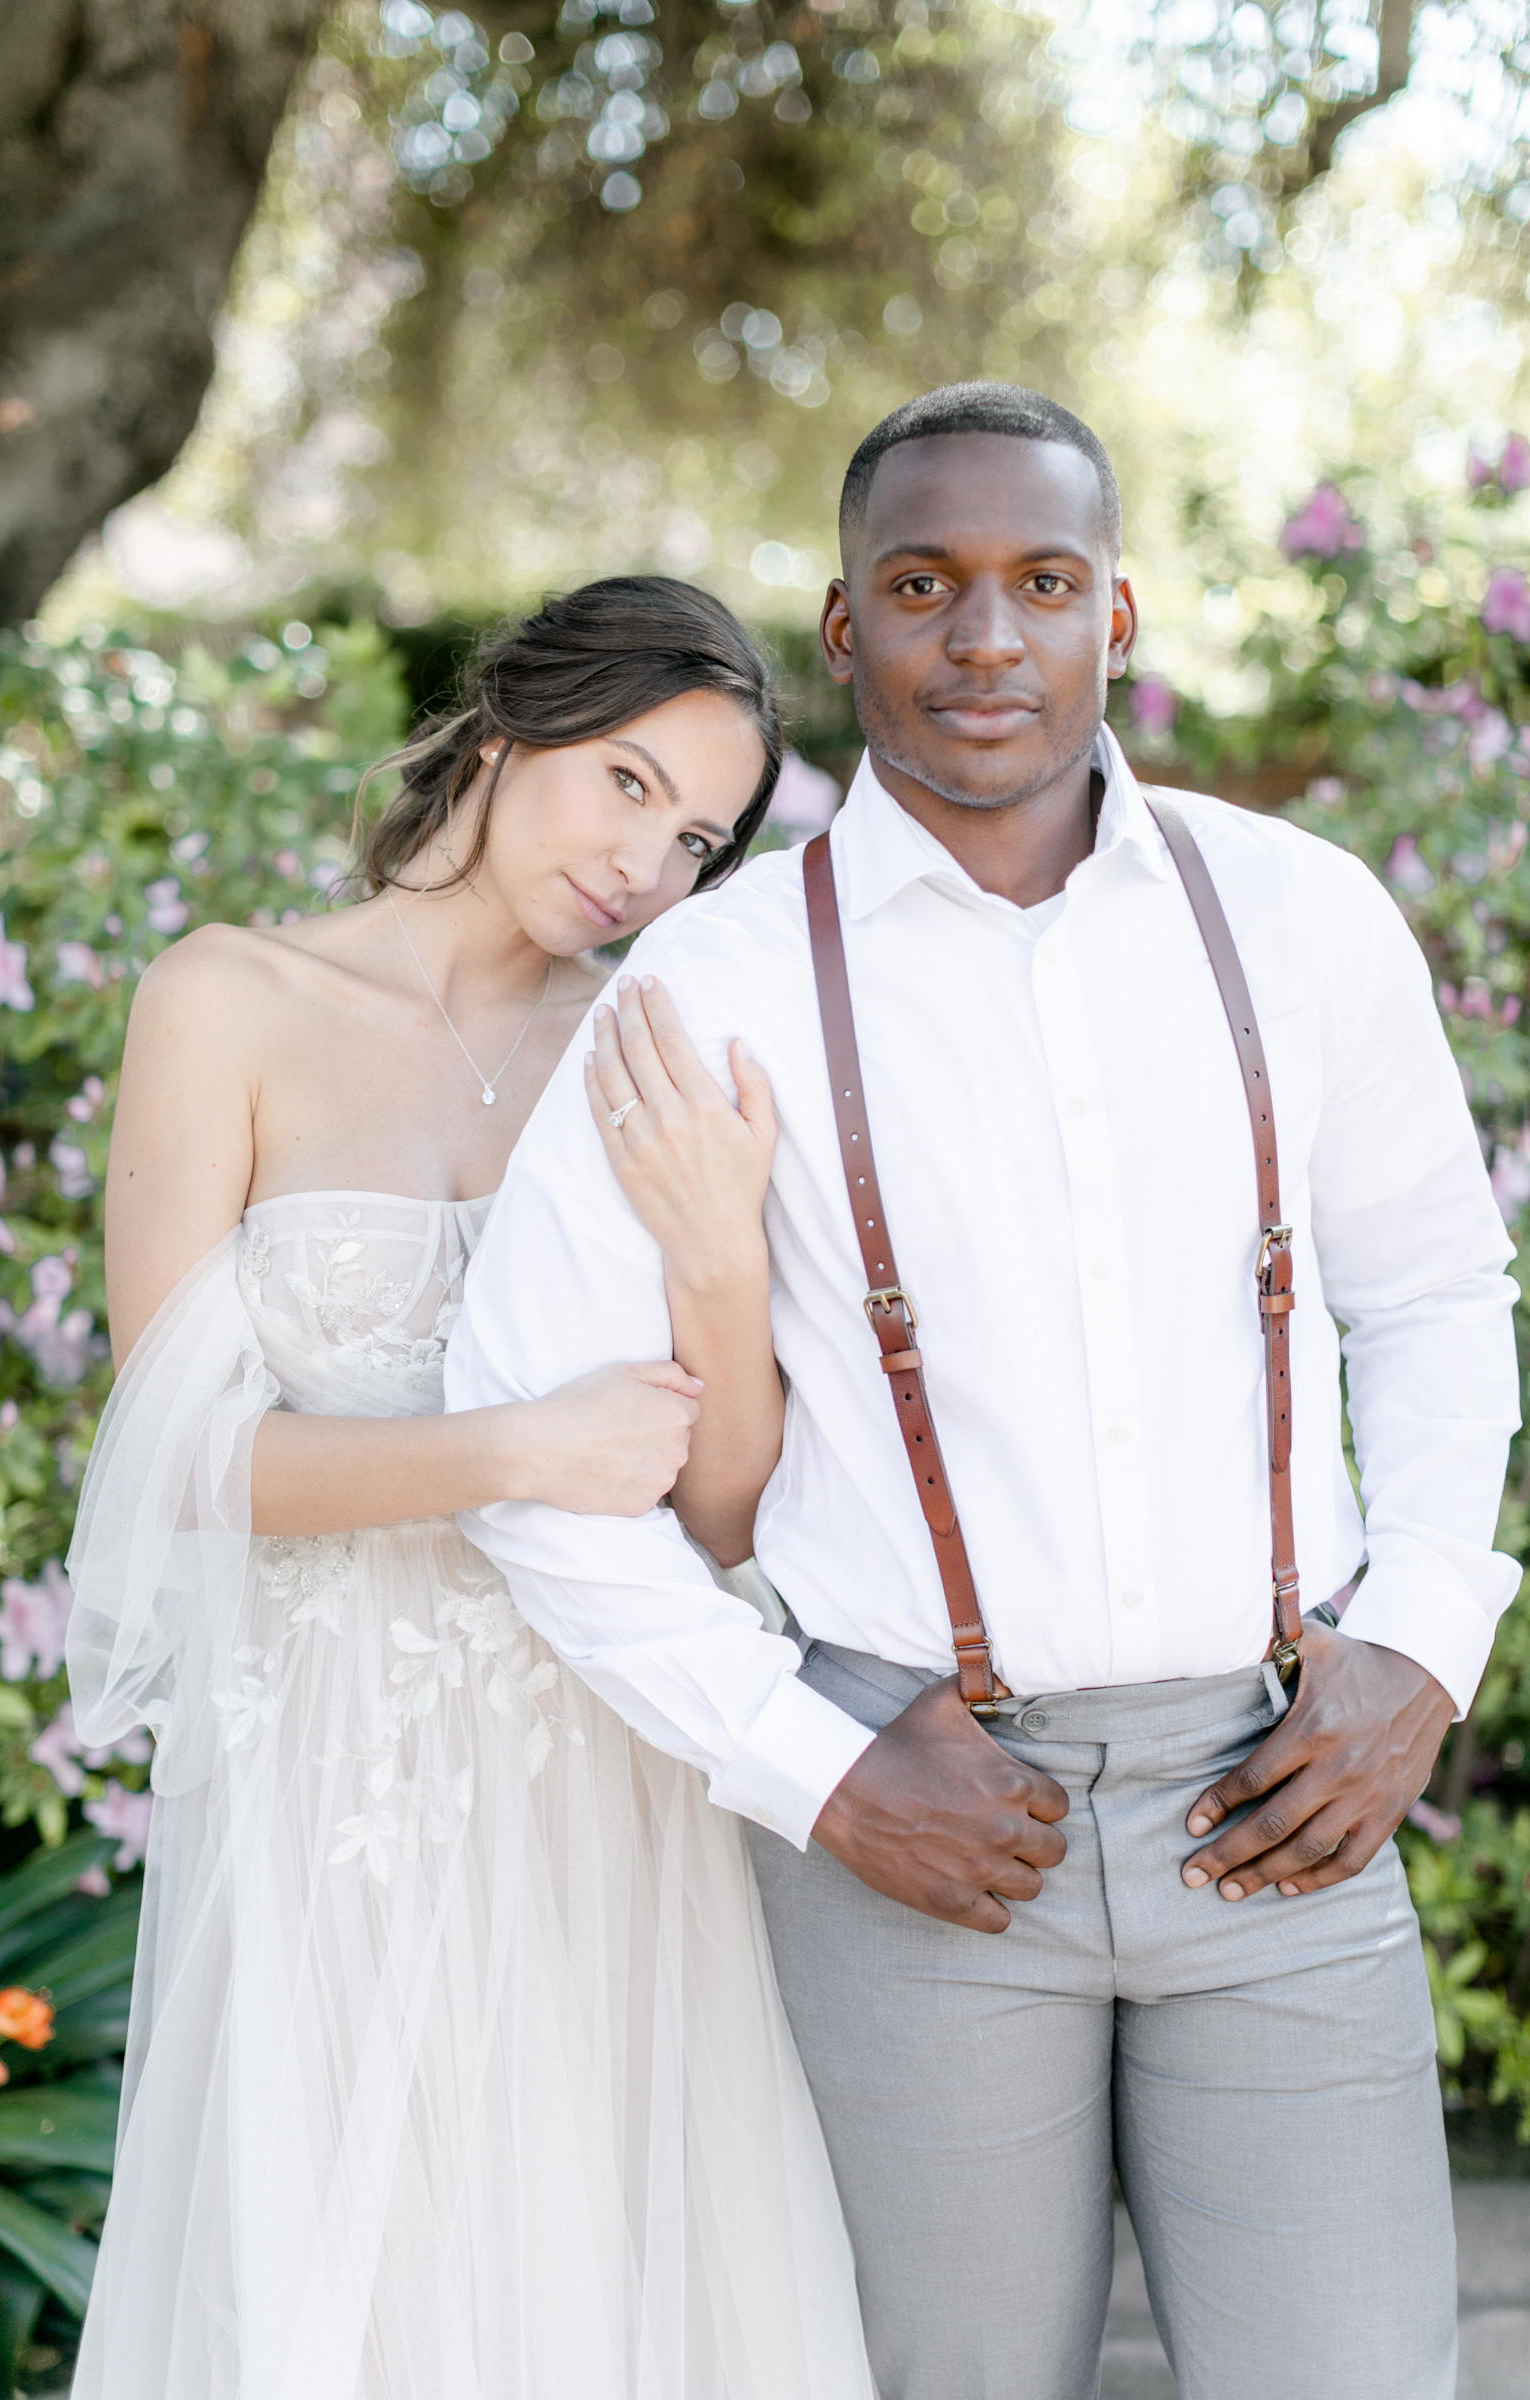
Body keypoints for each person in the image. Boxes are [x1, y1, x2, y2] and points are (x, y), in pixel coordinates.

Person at [447, 388, 1521, 2400]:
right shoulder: (711, 981)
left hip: (1279, 1795)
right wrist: (810, 1767)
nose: (982, 641)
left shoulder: (1295, 915)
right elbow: (536, 1470)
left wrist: (1420, 1640)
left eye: (1037, 584)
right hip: (908, 1822)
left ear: (1114, 614)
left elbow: (1438, 1299)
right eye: (919, 587)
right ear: (842, 636)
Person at [63, 578, 876, 2400]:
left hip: (606, 1761)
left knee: (601, 2272)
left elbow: (728, 1515)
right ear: (506, 725)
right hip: (334, 1762)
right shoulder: (229, 998)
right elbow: (180, 1459)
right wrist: (514, 1452)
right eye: (622, 784)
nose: (646, 866)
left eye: (698, 838)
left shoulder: (655, 1046)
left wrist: (721, 1257)